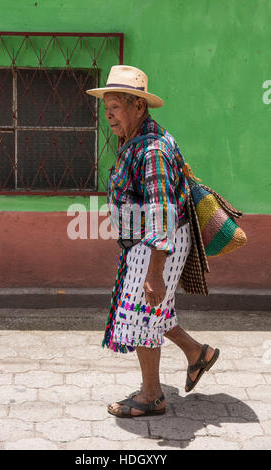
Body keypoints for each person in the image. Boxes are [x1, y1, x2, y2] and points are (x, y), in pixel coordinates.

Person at [86, 65, 219, 418]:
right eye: (107, 107)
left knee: (144, 312)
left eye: (116, 106)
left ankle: (152, 396)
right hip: (145, 243)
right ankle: (197, 353)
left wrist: (154, 271)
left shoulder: (153, 149)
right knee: (155, 309)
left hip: (157, 244)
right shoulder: (136, 141)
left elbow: (161, 211)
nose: (109, 114)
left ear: (138, 107)